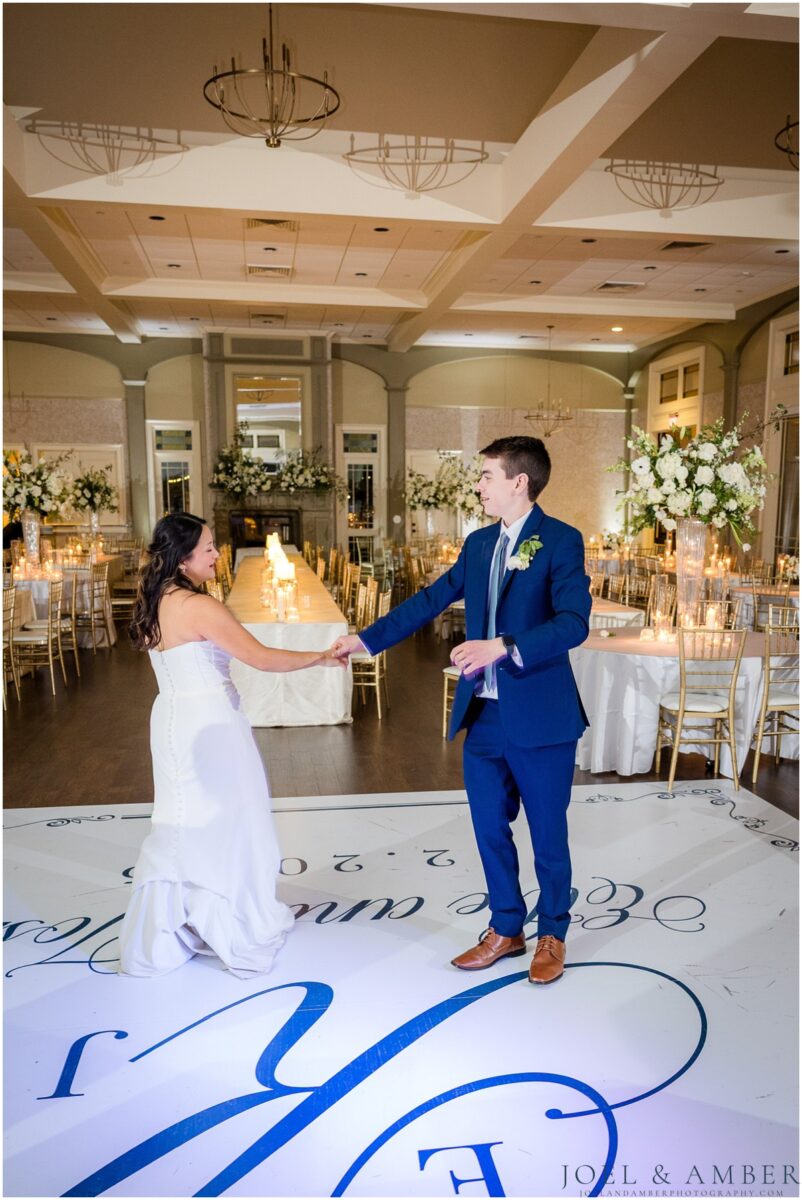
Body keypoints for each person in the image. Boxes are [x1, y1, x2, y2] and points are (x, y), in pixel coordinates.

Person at [332, 436, 590, 985]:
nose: (479, 486)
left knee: (548, 833)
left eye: (487, 476)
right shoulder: (477, 544)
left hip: (542, 717)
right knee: (487, 828)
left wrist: (504, 645)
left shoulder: (562, 541)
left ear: (519, 482)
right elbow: (430, 600)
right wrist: (365, 640)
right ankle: (506, 927)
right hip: (486, 717)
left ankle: (553, 934)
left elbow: (573, 623)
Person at [118, 512, 345, 979]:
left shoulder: (155, 597)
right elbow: (260, 657)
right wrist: (320, 657)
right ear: (182, 559)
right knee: (232, 818)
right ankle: (231, 917)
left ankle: (173, 922)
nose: (218, 554)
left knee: (183, 820)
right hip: (210, 724)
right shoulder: (200, 608)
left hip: (171, 718)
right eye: (208, 548)